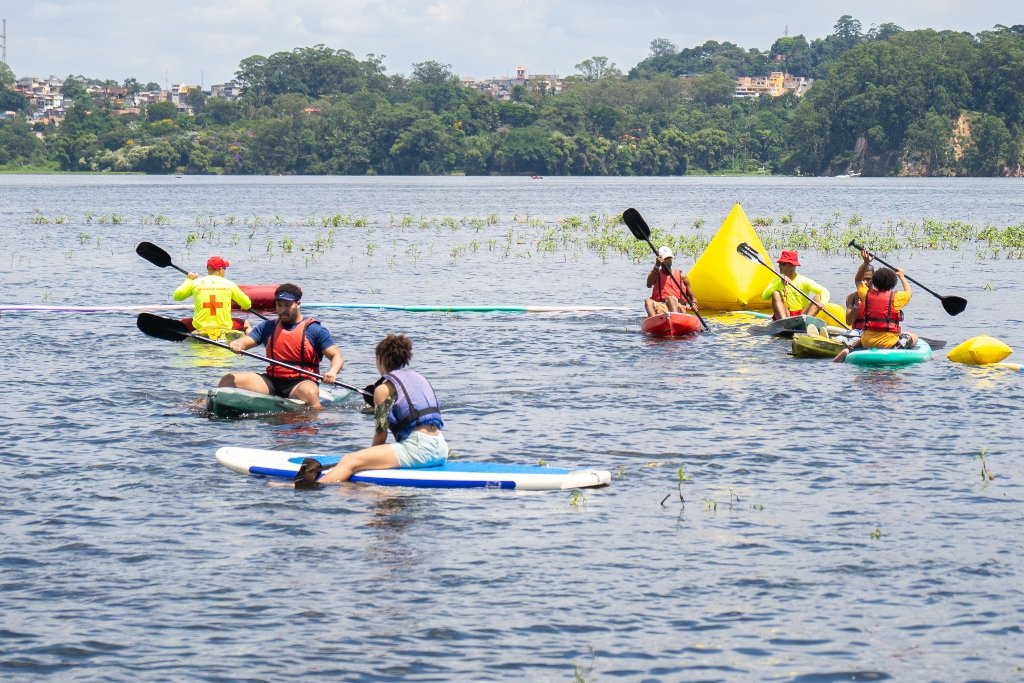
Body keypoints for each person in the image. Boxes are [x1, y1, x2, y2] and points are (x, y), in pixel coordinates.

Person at [316, 334, 448, 485]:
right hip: (441, 447)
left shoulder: (382, 390)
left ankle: (313, 488)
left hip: (419, 450)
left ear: (379, 359)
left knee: (349, 460)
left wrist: (366, 461)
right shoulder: (419, 378)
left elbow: (381, 435)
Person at [218, 283, 344, 408]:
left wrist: (332, 372)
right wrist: (237, 343)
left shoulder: (314, 329)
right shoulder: (268, 326)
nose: (283, 310)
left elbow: (336, 355)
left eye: (288, 305)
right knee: (228, 379)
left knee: (310, 393)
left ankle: (317, 416)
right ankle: (213, 406)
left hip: (300, 383)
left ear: (298, 304)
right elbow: (245, 341)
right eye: (279, 305)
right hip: (271, 381)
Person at [833, 251, 919, 363]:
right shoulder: (897, 297)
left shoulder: (867, 295)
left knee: (861, 339)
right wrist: (902, 276)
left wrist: (865, 262)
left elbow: (858, 280)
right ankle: (897, 349)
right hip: (888, 344)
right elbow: (909, 292)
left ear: (874, 281)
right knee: (913, 336)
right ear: (893, 284)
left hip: (867, 341)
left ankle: (850, 350)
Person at [173, 255, 253, 336]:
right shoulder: (229, 284)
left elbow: (177, 296)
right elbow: (247, 304)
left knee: (181, 323)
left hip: (199, 327)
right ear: (220, 269)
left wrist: (188, 280)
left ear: (208, 268)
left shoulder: (195, 283)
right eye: (224, 268)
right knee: (245, 323)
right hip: (224, 328)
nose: (224, 271)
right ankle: (250, 340)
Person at [761, 250, 829, 320]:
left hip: (802, 314)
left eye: (783, 264)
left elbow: (824, 291)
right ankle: (784, 322)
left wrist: (822, 303)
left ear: (792, 265)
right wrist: (780, 284)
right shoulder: (777, 279)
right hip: (785, 314)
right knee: (775, 293)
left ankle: (807, 322)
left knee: (818, 297)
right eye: (779, 263)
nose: (779, 266)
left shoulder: (803, 280)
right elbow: (764, 296)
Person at [644, 246, 697, 317]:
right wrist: (657, 265)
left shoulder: (682, 276)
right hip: (661, 307)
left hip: (678, 307)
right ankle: (653, 320)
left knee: (670, 299)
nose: (668, 261)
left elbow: (693, 298)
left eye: (669, 258)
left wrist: (694, 304)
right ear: (660, 260)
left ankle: (675, 318)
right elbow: (649, 285)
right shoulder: (655, 273)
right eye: (666, 259)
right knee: (648, 301)